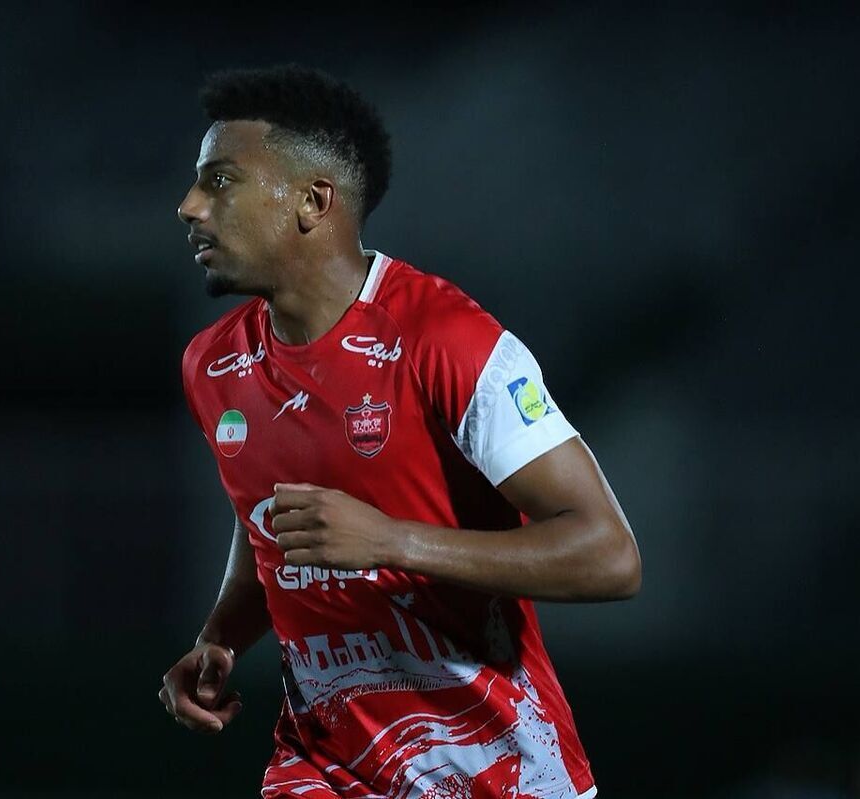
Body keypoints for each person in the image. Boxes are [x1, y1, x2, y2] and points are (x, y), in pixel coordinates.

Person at [159, 63, 641, 799]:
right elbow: (268, 524)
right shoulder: (212, 363)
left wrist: (393, 541)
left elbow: (610, 556)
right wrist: (221, 635)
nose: (189, 206)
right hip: (327, 767)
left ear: (313, 201)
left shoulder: (446, 339)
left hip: (497, 769)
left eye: (220, 181)